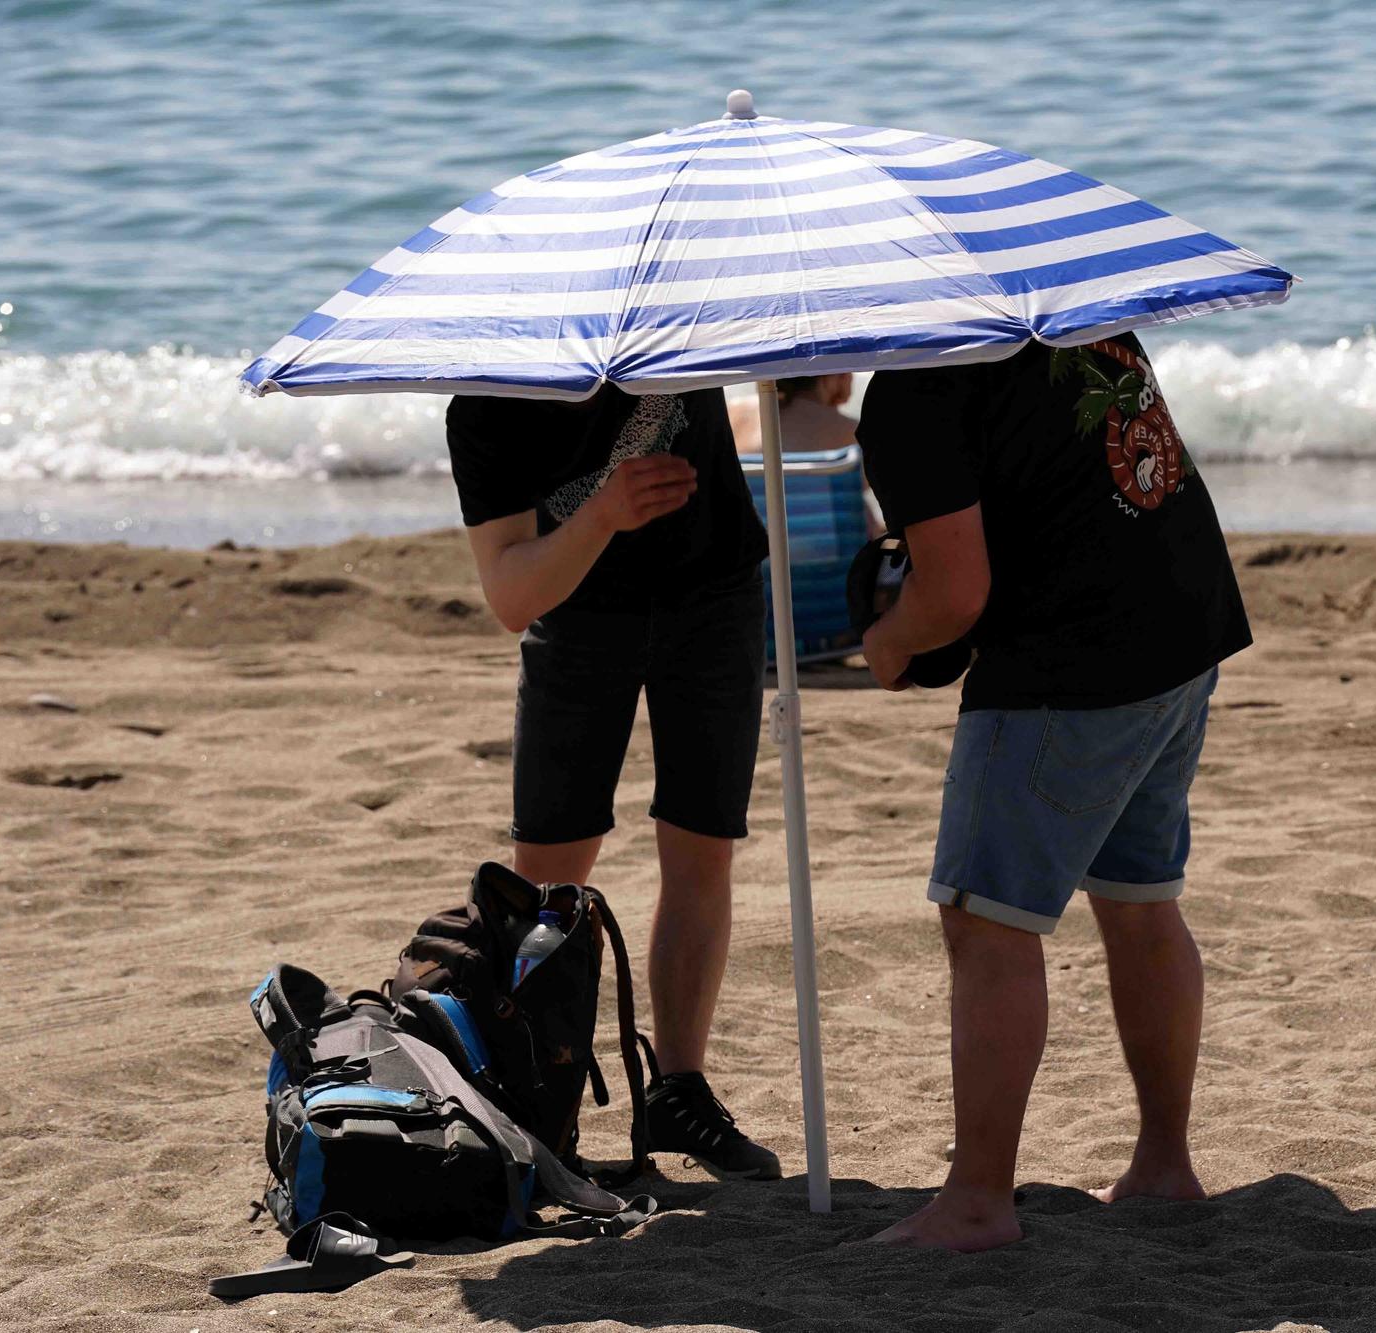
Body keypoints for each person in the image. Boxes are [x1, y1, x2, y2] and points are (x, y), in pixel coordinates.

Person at [853, 334, 1253, 1250]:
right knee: (1140, 902)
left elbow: (954, 593)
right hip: (1182, 616)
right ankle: (1164, 1164)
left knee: (989, 923)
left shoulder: (914, 390)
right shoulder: (1063, 313)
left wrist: (888, 642)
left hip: (1075, 659)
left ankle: (980, 1201)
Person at [444, 383, 782, 1180]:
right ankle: (530, 1099)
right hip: (578, 615)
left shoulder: (663, 317)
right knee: (546, 885)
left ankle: (677, 1091)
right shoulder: (488, 404)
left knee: (702, 849)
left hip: (716, 588)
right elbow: (511, 594)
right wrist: (602, 511)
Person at [730, 375, 887, 536]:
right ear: (832, 375)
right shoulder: (848, 430)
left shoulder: (733, 413)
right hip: (832, 554)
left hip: (756, 552)